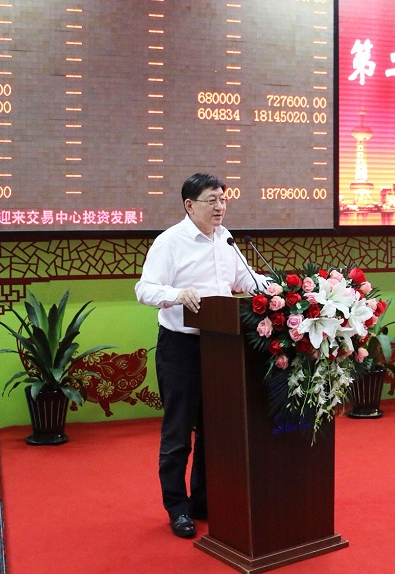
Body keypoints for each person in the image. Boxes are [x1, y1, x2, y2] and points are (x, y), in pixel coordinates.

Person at [134, 172, 261, 539]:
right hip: (181, 348)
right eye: (212, 200)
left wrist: (280, 290)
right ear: (189, 205)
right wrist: (176, 295)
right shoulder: (170, 242)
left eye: (223, 199)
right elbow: (144, 289)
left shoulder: (226, 239)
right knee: (178, 432)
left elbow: (246, 281)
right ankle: (177, 507)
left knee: (213, 429)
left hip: (220, 346)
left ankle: (204, 501)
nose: (220, 207)